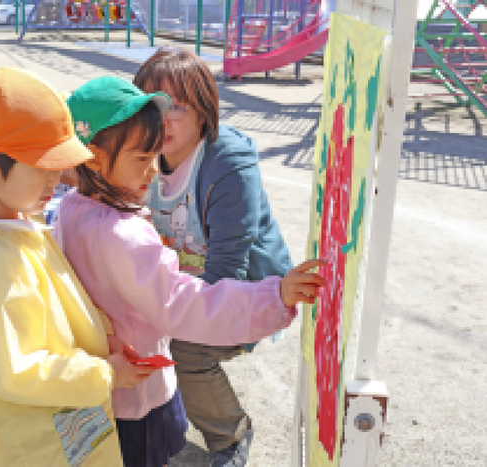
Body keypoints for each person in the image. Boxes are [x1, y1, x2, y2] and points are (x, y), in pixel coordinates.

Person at [57, 76, 324, 467]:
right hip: (140, 397)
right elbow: (184, 304)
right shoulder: (124, 235)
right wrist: (273, 296)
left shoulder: (71, 208)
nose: (153, 171)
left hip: (102, 385)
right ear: (94, 159)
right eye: (141, 159)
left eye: (154, 156)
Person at [0, 68, 155, 467]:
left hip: (52, 428)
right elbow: (18, 370)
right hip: (24, 447)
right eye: (43, 166)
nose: (57, 178)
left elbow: (53, 304)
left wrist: (100, 340)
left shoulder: (14, 216)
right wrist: (104, 374)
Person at [133, 48, 295, 466]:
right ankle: (150, 423)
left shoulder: (227, 162)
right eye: (152, 105)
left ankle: (230, 435)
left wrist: (164, 313)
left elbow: (228, 271)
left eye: (177, 107)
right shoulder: (138, 150)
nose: (162, 119)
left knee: (182, 347)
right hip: (178, 284)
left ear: (203, 111)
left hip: (245, 291)